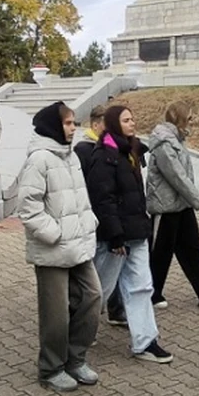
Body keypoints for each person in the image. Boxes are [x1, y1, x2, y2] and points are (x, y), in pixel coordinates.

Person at [18, 101, 101, 392]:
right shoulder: (39, 158)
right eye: (68, 123)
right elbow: (28, 207)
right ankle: (51, 368)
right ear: (53, 125)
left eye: (74, 123)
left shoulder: (71, 156)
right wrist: (54, 234)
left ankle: (75, 359)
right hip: (53, 250)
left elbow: (80, 198)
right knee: (56, 315)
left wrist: (89, 222)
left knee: (93, 297)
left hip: (78, 244)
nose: (73, 128)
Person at [86, 105, 173, 364]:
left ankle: (145, 342)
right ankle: (75, 331)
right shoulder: (103, 156)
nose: (132, 123)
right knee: (96, 291)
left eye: (133, 119)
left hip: (135, 233)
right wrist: (115, 235)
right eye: (126, 120)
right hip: (115, 239)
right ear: (114, 124)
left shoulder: (131, 151)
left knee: (141, 287)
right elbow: (103, 199)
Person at [147, 101, 199, 310]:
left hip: (182, 205)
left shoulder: (176, 139)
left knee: (194, 249)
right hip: (165, 207)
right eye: (189, 117)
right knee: (159, 253)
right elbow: (176, 175)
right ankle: (150, 293)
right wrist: (198, 199)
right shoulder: (164, 142)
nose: (192, 121)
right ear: (179, 118)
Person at [74, 105, 126, 326]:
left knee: (115, 268)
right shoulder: (85, 150)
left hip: (113, 218)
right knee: (97, 272)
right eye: (108, 124)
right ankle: (85, 321)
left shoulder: (114, 147)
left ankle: (115, 309)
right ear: (96, 125)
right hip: (97, 219)